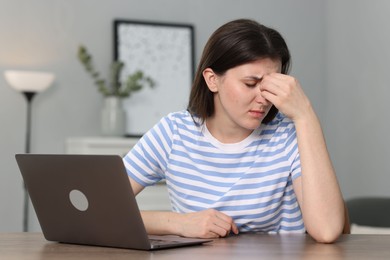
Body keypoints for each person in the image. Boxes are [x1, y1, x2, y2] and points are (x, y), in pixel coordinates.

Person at [123, 18, 345, 243]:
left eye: (271, 85)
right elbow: (101, 211)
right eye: (250, 84)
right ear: (212, 80)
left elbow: (327, 230)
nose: (263, 98)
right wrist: (180, 223)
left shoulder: (287, 135)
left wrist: (305, 114)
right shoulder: (173, 133)